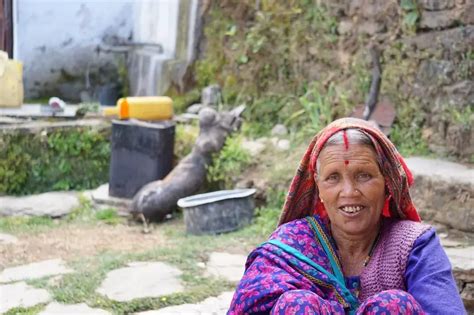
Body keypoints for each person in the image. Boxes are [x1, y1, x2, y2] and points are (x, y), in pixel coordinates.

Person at [228, 118, 465, 314]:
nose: (349, 192)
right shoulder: (293, 243)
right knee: (297, 304)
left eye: (364, 175)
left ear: (387, 184)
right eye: (333, 178)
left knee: (394, 306)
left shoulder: (413, 244)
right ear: (318, 188)